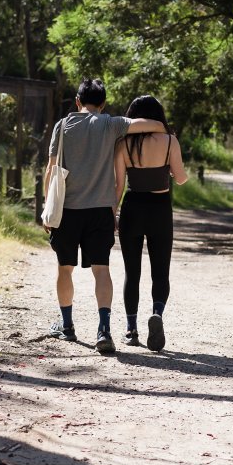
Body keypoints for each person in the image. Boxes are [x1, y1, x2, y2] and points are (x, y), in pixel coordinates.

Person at [44, 79, 166, 355]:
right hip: (100, 211)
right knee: (102, 270)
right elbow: (155, 125)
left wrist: (46, 210)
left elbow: (51, 170)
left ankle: (68, 327)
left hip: (66, 211)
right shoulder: (112, 124)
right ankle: (104, 330)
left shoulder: (62, 126)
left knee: (65, 269)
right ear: (103, 104)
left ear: (77, 101)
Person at [113, 95, 187, 352]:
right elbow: (181, 178)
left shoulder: (123, 143)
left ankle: (131, 329)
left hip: (132, 207)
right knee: (160, 270)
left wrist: (113, 213)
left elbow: (118, 186)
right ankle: (157, 313)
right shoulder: (169, 141)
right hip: (159, 208)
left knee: (131, 272)